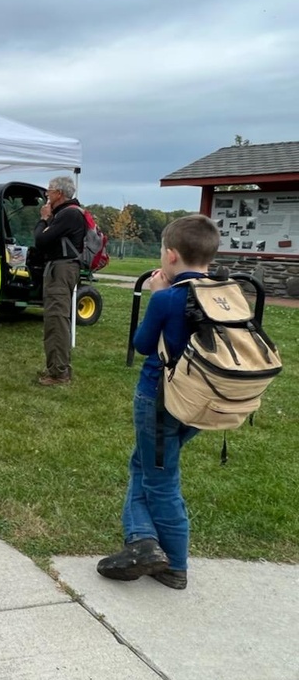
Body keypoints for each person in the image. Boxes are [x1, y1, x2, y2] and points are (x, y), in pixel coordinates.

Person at [97, 215, 219, 591]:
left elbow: (144, 344)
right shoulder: (223, 294)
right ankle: (144, 542)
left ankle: (170, 563)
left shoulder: (167, 298)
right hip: (205, 402)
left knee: (161, 479)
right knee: (145, 465)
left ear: (169, 255)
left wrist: (154, 294)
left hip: (162, 400)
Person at [32, 175, 84, 386]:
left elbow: (41, 240)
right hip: (62, 268)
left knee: (56, 319)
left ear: (59, 194)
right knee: (57, 318)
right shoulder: (68, 213)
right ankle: (58, 367)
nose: (47, 194)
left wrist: (44, 219)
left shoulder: (68, 215)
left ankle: (58, 373)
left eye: (50, 190)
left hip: (61, 269)